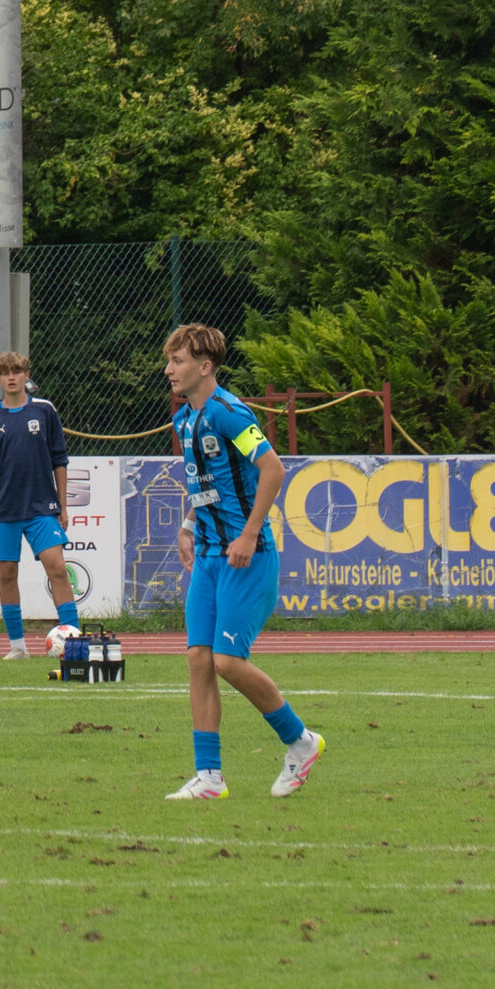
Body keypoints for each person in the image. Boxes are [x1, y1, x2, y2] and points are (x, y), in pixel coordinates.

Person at [163, 323, 322, 800]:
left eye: (177, 361)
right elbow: (206, 483)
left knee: (228, 661)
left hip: (246, 558)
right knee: (198, 659)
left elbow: (273, 468)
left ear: (204, 366)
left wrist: (250, 534)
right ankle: (209, 777)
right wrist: (188, 525)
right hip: (209, 557)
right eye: (169, 361)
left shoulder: (230, 413)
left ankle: (301, 741)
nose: (169, 369)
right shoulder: (184, 419)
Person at [0, 350, 80, 660]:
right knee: (7, 574)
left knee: (58, 568)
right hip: (2, 510)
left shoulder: (44, 410)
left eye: (16, 371)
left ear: (26, 374)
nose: (11, 377)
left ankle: (73, 642)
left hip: (41, 508)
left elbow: (59, 459)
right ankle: (17, 647)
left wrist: (62, 506)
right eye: (5, 373)